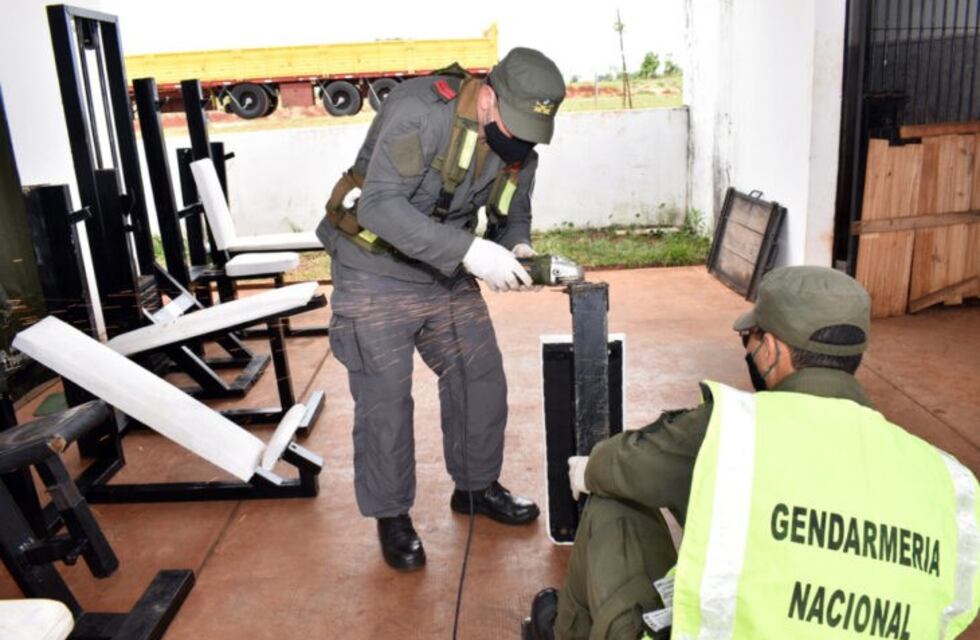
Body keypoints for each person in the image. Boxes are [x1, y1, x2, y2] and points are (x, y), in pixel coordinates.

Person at [525, 266, 979, 639]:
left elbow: (615, 465)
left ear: (773, 350)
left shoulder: (729, 430)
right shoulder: (948, 479)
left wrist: (589, 469)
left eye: (751, 339)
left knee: (612, 500)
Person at [316, 48, 566, 571]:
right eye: (514, 125)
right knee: (386, 399)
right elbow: (379, 207)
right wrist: (472, 253)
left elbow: (512, 217)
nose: (519, 142)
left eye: (531, 133)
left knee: (481, 376)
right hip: (374, 267)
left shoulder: (521, 150)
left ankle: (475, 487)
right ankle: (392, 514)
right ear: (488, 96)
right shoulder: (420, 111)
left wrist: (516, 247)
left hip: (443, 270)